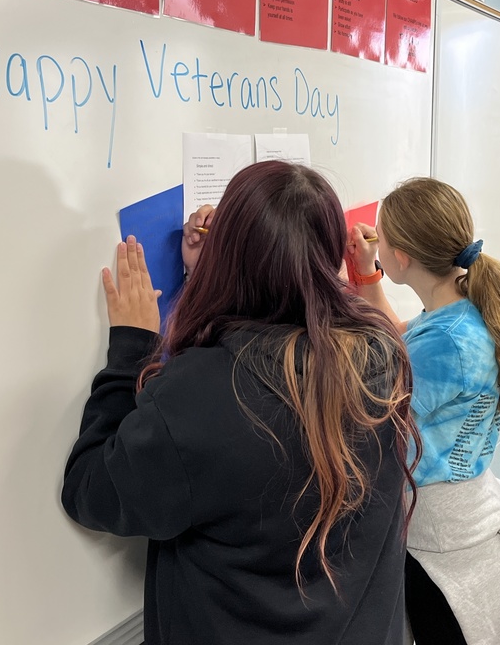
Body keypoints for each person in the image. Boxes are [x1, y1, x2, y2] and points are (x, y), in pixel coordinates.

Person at [61, 161, 419, 645]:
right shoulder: (382, 360)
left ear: (230, 257)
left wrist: (129, 350)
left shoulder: (202, 396)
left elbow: (91, 489)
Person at [348, 177, 500, 645]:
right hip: (464, 519)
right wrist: (367, 274)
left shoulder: (446, 342)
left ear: (402, 257)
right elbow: (401, 338)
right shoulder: (460, 315)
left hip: (442, 539)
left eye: (381, 238)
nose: (376, 242)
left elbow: (372, 405)